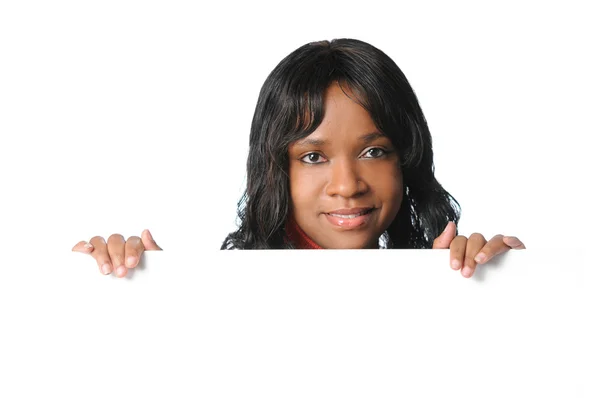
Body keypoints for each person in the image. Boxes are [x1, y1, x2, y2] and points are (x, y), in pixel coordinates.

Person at [72, 38, 525, 278]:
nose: (347, 185)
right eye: (312, 156)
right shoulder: (224, 300)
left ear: (405, 160)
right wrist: (150, 294)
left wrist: (504, 289)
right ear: (275, 170)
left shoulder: (444, 278)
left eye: (374, 151)